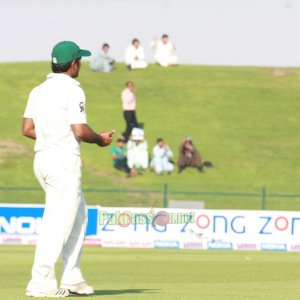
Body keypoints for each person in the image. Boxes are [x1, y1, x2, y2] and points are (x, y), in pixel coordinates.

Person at [22, 41, 115, 298]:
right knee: (58, 223)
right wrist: (100, 139)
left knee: (79, 216)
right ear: (73, 64)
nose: (81, 64)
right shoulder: (74, 90)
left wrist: (51, 137)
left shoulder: (38, 91)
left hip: (43, 159)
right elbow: (79, 130)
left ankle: (72, 277)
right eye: (80, 61)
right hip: (63, 162)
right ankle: (40, 282)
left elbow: (28, 129)